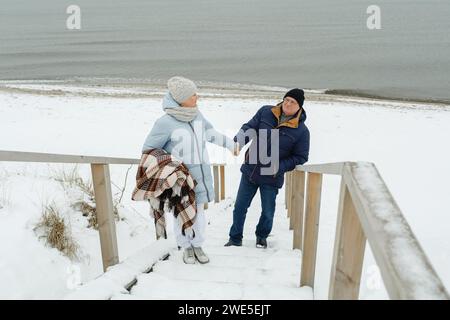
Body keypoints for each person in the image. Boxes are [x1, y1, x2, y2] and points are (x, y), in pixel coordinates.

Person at [142, 76, 238, 264]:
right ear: (181, 98)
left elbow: (211, 134)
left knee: (199, 216)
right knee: (181, 214)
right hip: (180, 180)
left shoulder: (196, 115)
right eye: (193, 94)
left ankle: (198, 245)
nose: (197, 97)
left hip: (201, 177)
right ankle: (185, 247)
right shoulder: (165, 122)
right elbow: (149, 150)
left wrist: (230, 145)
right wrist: (171, 165)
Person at [225, 88, 310, 248]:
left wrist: (279, 166)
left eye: (293, 102)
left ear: (300, 107)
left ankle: (261, 236)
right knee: (240, 207)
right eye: (287, 99)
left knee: (268, 212)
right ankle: (235, 238)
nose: (288, 103)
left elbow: (301, 157)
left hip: (272, 176)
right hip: (250, 170)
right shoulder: (266, 112)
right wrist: (239, 142)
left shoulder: (302, 132)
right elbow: (249, 127)